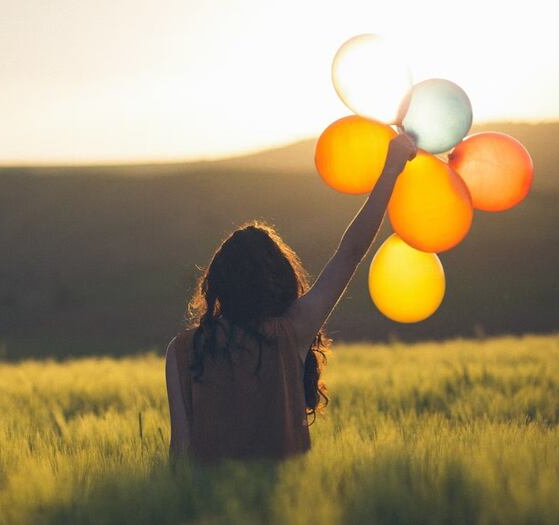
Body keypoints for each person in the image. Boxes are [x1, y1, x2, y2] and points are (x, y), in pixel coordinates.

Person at [165, 132, 417, 462]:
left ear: (218, 282)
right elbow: (351, 252)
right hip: (287, 494)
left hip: (208, 497)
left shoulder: (182, 350)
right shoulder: (291, 331)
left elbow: (180, 450)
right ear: (279, 279)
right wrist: (391, 168)